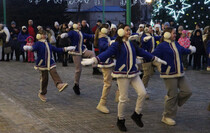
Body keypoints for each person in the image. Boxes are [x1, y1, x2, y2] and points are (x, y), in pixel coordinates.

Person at [81, 24, 167, 132]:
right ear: (121, 32)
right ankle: (120, 119)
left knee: (143, 93)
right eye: (127, 30)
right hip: (122, 74)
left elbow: (143, 53)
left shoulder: (132, 44)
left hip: (133, 73)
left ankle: (137, 114)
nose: (129, 32)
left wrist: (156, 59)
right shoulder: (117, 44)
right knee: (123, 98)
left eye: (129, 30)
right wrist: (95, 60)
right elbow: (107, 53)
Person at [152, 27, 196, 126]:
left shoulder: (175, 43)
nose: (175, 35)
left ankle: (171, 102)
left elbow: (182, 50)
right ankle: (166, 116)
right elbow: (153, 55)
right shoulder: (162, 46)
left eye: (175, 33)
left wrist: (191, 50)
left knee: (188, 91)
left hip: (180, 72)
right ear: (167, 34)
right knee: (172, 95)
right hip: (169, 74)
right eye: (173, 33)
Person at [23, 31, 75, 102]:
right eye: (43, 34)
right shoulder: (38, 43)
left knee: (53, 71)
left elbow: (57, 49)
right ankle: (42, 93)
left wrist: (67, 48)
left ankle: (59, 84)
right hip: (42, 63)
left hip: (50, 62)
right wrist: (28, 48)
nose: (44, 36)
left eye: (45, 34)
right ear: (39, 36)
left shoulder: (48, 44)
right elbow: (33, 48)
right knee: (44, 79)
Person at [60, 23, 99, 95]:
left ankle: (95, 69)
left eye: (80, 25)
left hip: (82, 50)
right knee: (78, 69)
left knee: (92, 53)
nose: (80, 26)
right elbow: (69, 34)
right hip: (76, 52)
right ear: (75, 26)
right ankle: (76, 85)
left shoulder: (81, 33)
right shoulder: (73, 32)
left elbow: (89, 36)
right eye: (79, 25)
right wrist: (65, 35)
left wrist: (97, 36)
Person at [93, 24, 117, 114]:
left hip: (110, 61)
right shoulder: (102, 38)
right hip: (106, 62)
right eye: (108, 28)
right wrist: (112, 43)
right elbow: (103, 46)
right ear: (103, 30)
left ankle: (119, 95)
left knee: (119, 77)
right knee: (107, 83)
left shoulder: (106, 37)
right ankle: (102, 103)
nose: (110, 29)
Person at [141, 24, 161, 99]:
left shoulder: (152, 36)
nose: (151, 29)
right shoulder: (144, 36)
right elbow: (143, 40)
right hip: (146, 57)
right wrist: (145, 39)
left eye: (151, 28)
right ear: (146, 29)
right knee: (146, 74)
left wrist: (164, 36)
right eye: (150, 28)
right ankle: (143, 90)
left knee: (159, 64)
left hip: (152, 56)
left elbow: (157, 38)